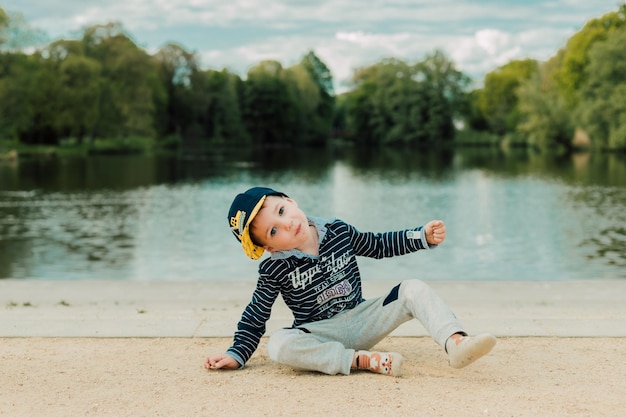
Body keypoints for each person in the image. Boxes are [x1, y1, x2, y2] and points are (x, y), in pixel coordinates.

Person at [204, 186, 496, 376]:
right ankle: (360, 360)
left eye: (281, 211)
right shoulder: (273, 269)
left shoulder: (338, 231)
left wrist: (420, 236)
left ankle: (455, 342)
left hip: (363, 317)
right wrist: (237, 353)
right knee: (279, 344)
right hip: (320, 333)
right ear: (269, 247)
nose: (287, 224)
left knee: (412, 287)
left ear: (290, 201)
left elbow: (377, 244)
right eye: (273, 231)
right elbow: (256, 314)